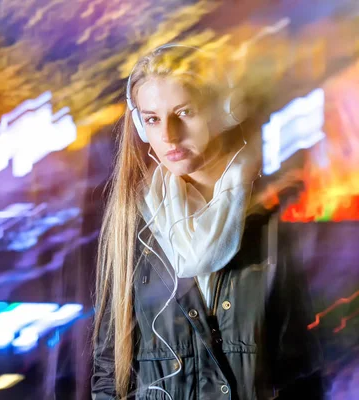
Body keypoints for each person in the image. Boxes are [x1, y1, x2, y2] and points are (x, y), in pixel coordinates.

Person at [91, 44, 324, 400]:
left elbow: (305, 366)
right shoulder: (132, 222)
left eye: (184, 112)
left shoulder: (272, 213)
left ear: (223, 110)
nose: (168, 134)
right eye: (152, 118)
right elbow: (109, 370)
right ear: (139, 125)